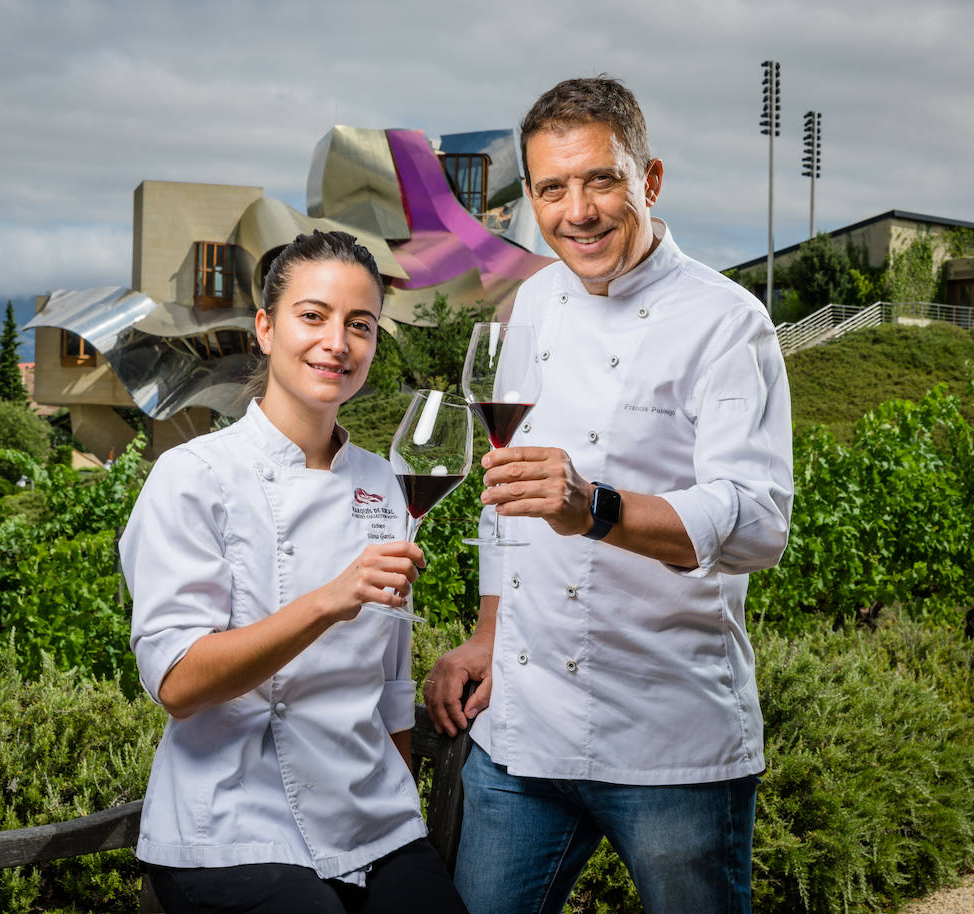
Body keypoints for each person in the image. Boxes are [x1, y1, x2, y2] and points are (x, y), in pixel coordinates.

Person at [424, 77, 794, 914]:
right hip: (524, 733)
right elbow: (506, 492)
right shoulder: (529, 306)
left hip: (668, 734)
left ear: (649, 180)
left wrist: (596, 507)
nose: (577, 211)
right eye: (552, 188)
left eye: (601, 180)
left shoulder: (727, 321)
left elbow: (759, 524)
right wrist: (488, 634)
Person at [121, 230, 467, 914]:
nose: (337, 342)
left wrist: (400, 818)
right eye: (313, 316)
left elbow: (391, 680)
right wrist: (326, 601)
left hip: (373, 819)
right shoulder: (193, 477)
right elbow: (178, 684)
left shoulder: (383, 482)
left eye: (359, 325)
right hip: (229, 825)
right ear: (265, 328)